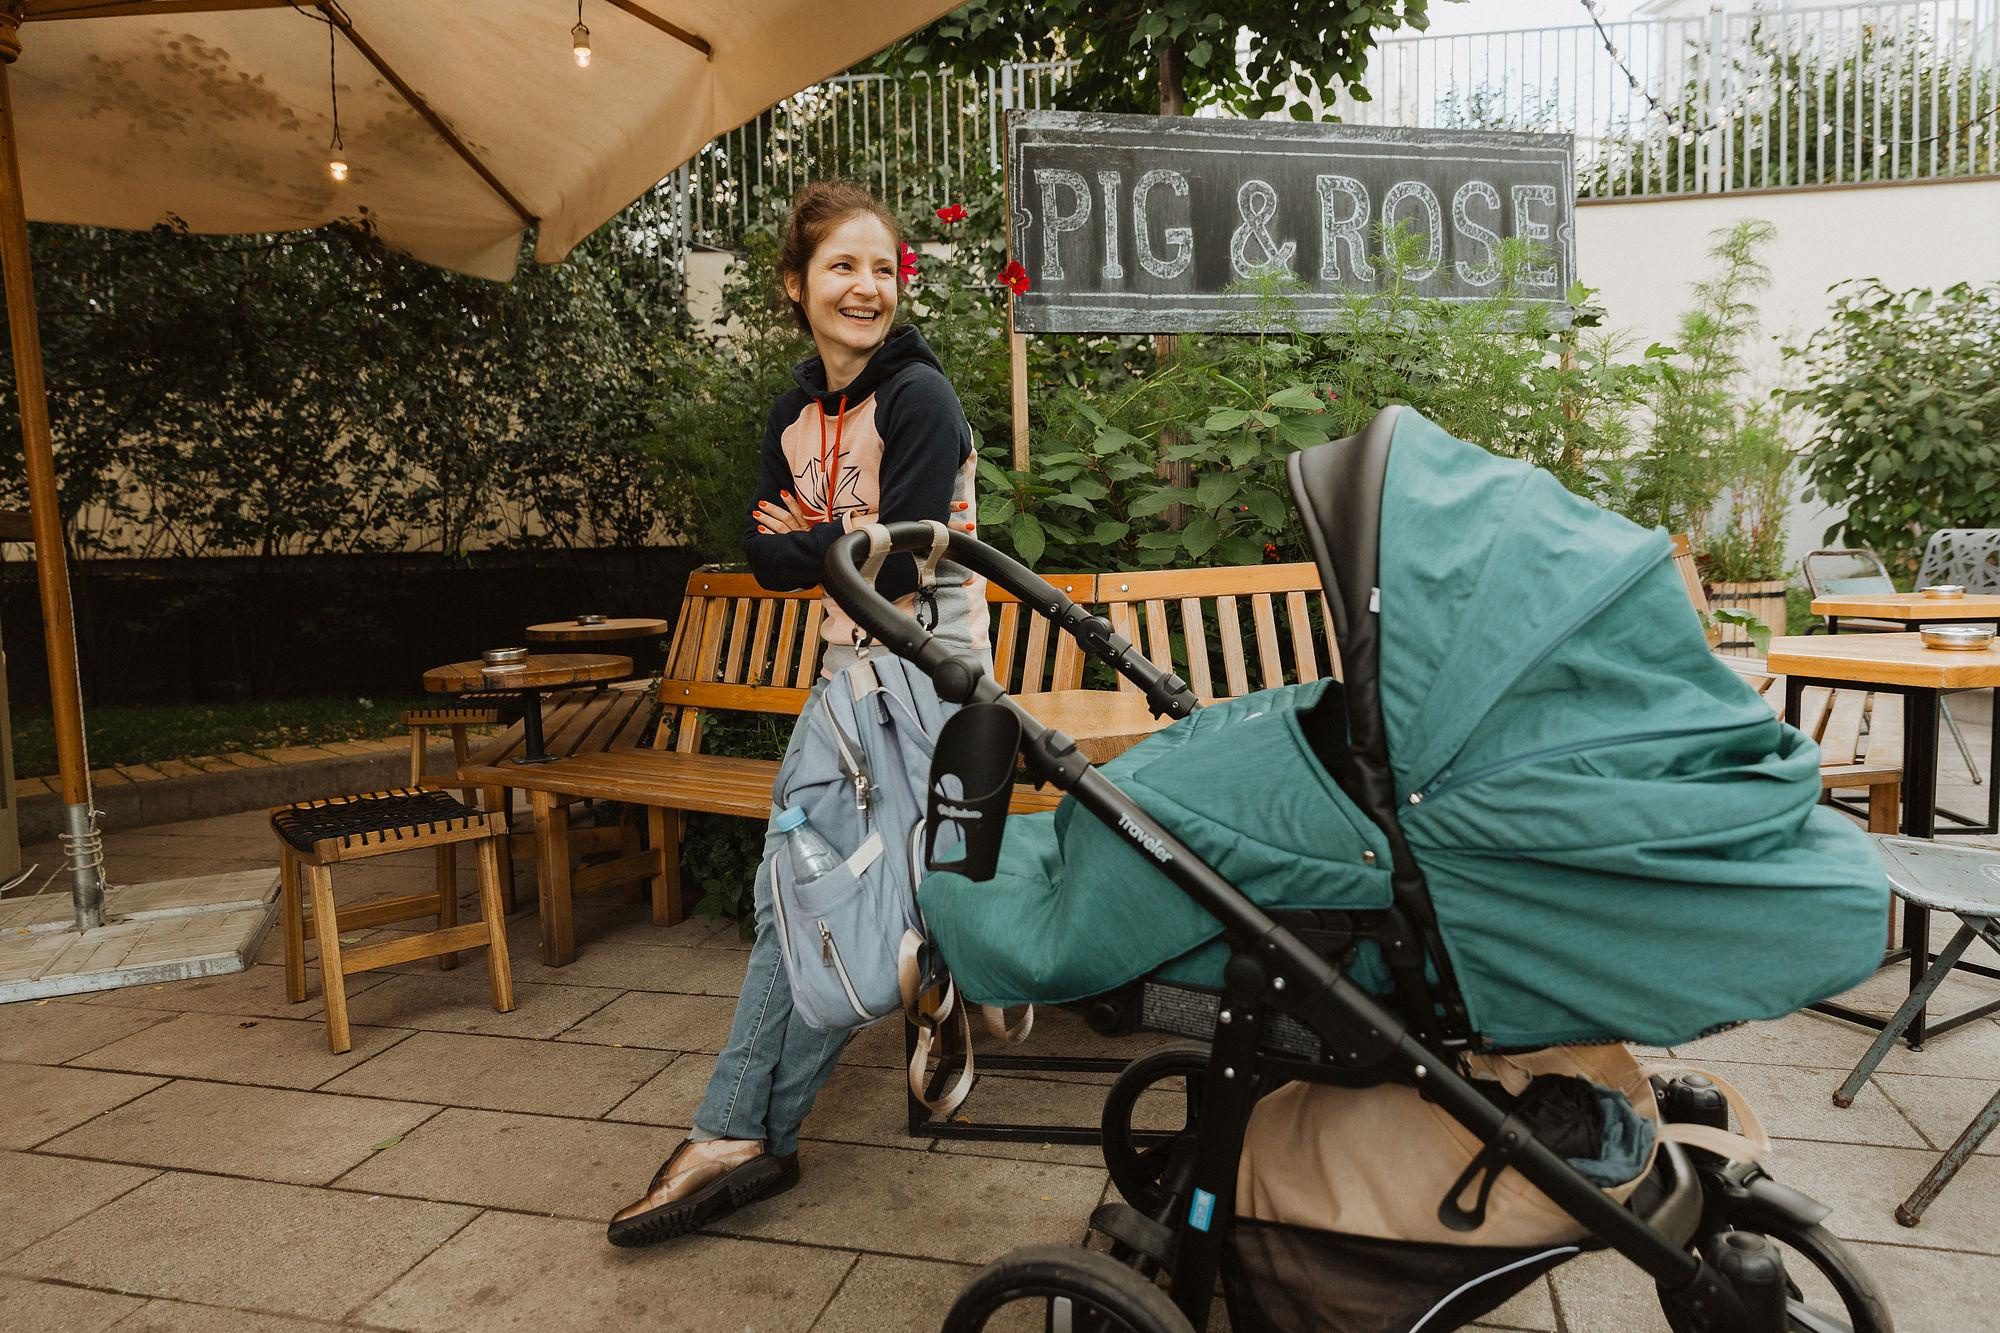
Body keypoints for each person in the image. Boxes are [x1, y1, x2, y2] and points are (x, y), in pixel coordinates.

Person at [608, 181, 989, 1248]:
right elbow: (762, 558)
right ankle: (748, 1132)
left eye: (882, 267)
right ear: (796, 285)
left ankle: (737, 1133)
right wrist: (838, 534)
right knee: (804, 892)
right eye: (840, 267)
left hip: (925, 679)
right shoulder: (790, 413)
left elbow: (901, 574)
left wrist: (817, 530)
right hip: (840, 676)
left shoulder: (920, 399)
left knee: (808, 895)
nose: (865, 287)